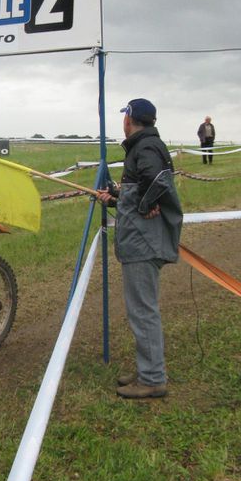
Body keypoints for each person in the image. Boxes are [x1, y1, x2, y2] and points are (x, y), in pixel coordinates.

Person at [97, 98, 183, 399]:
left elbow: (156, 179)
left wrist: (146, 204)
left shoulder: (145, 147)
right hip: (141, 240)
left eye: (125, 116)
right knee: (142, 309)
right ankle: (148, 368)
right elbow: (141, 185)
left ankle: (152, 378)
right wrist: (117, 197)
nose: (123, 121)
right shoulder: (146, 145)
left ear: (130, 119)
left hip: (142, 243)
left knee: (143, 311)